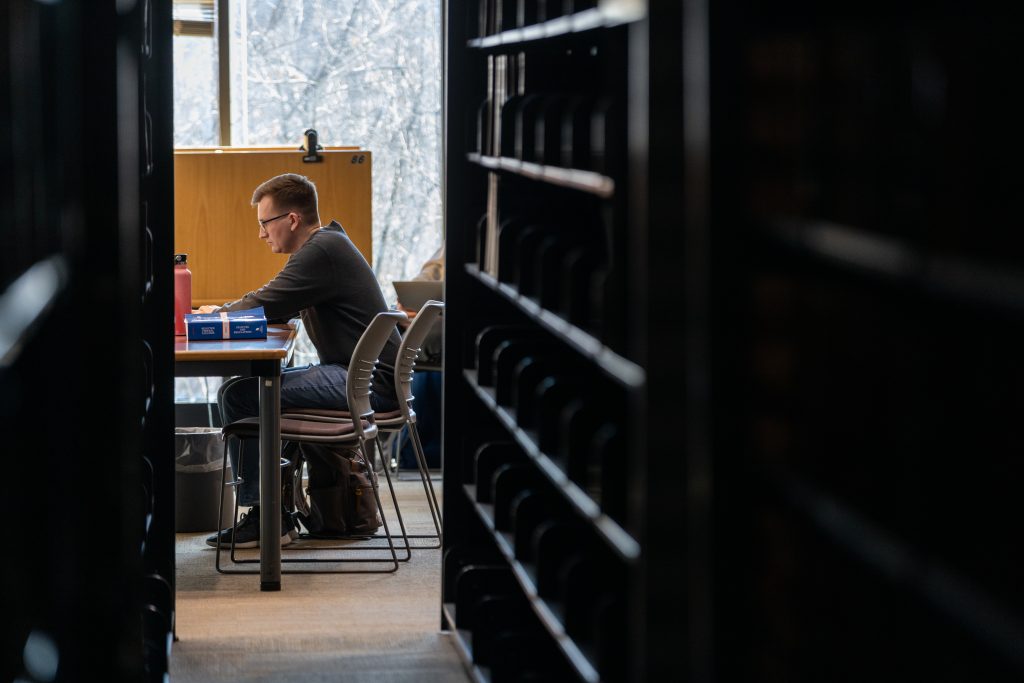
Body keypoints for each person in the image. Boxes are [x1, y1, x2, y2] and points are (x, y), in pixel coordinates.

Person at [204, 173, 400, 548]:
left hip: (367, 385)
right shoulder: (326, 246)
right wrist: (235, 311)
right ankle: (274, 514)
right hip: (361, 377)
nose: (262, 234)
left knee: (241, 396)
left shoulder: (321, 251)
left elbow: (266, 301)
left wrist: (218, 315)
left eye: (265, 223)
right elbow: (277, 303)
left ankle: (266, 517)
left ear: (291, 219)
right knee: (243, 391)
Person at [394, 244, 443, 470]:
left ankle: (410, 457)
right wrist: (406, 308)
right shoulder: (448, 249)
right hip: (427, 342)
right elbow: (427, 275)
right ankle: (408, 457)